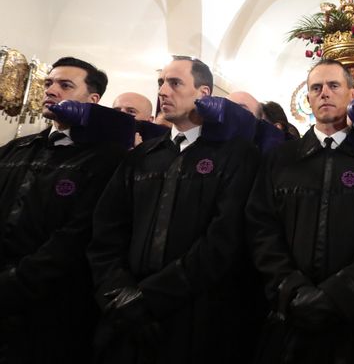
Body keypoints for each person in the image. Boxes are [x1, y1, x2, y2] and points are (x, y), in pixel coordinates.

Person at [88, 56, 261, 363]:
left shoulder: (236, 155)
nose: (163, 91)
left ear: (204, 93)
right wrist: (117, 291)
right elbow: (107, 230)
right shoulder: (142, 156)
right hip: (124, 311)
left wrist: (150, 298)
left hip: (194, 312)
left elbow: (222, 239)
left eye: (175, 83)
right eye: (161, 83)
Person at [247, 59, 354, 363]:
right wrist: (290, 287)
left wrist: (343, 291)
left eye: (333, 86)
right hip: (290, 311)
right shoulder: (281, 159)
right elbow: (261, 227)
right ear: (307, 99)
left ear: (352, 95)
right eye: (316, 88)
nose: (324, 93)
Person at [0, 57, 125, 364]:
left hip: (50, 307)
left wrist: (14, 281)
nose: (51, 90)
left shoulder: (106, 158)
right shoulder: (18, 149)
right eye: (48, 83)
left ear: (92, 99)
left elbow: (78, 234)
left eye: (65, 85)